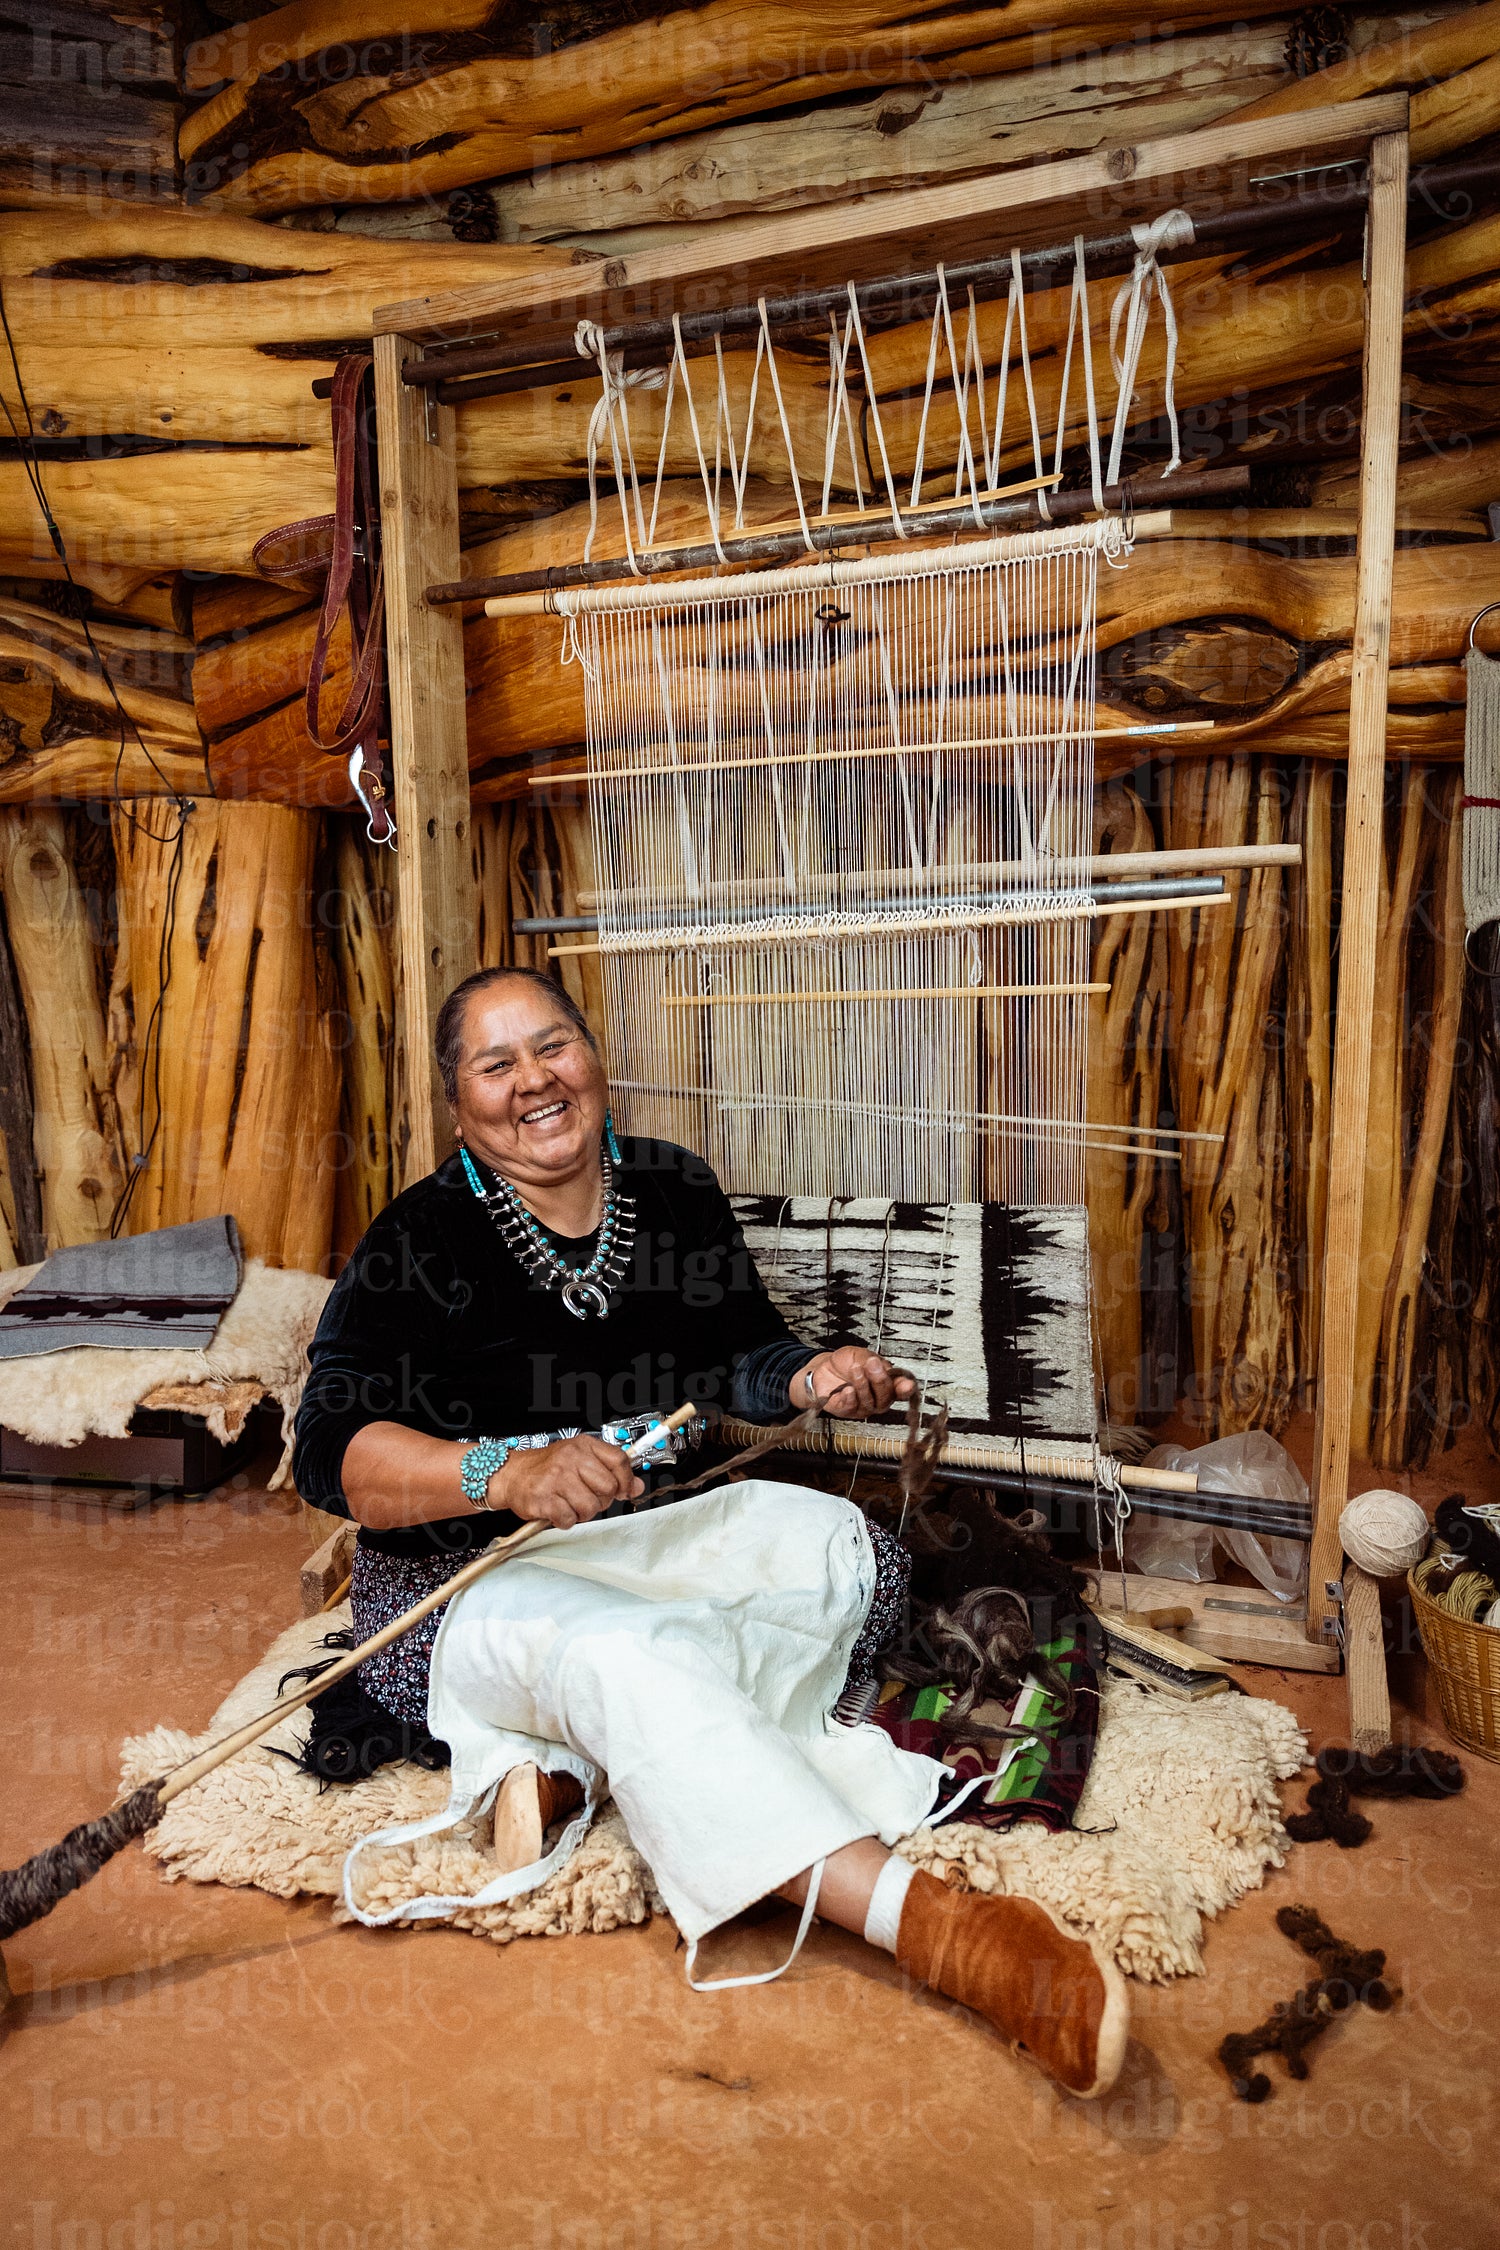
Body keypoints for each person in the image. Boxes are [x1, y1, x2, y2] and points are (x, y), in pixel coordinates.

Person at [294, 965, 1127, 2100]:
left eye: (554, 1047)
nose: (535, 1081)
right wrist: (505, 1471)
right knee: (632, 1654)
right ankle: (934, 1928)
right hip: (467, 1581)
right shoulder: (421, 1239)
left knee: (845, 1554)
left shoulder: (675, 1191)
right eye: (497, 1066)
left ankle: (560, 1758)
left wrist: (812, 1376)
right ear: (459, 1107)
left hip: (648, 1537)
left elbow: (740, 1354)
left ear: (594, 1057)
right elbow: (328, 1454)